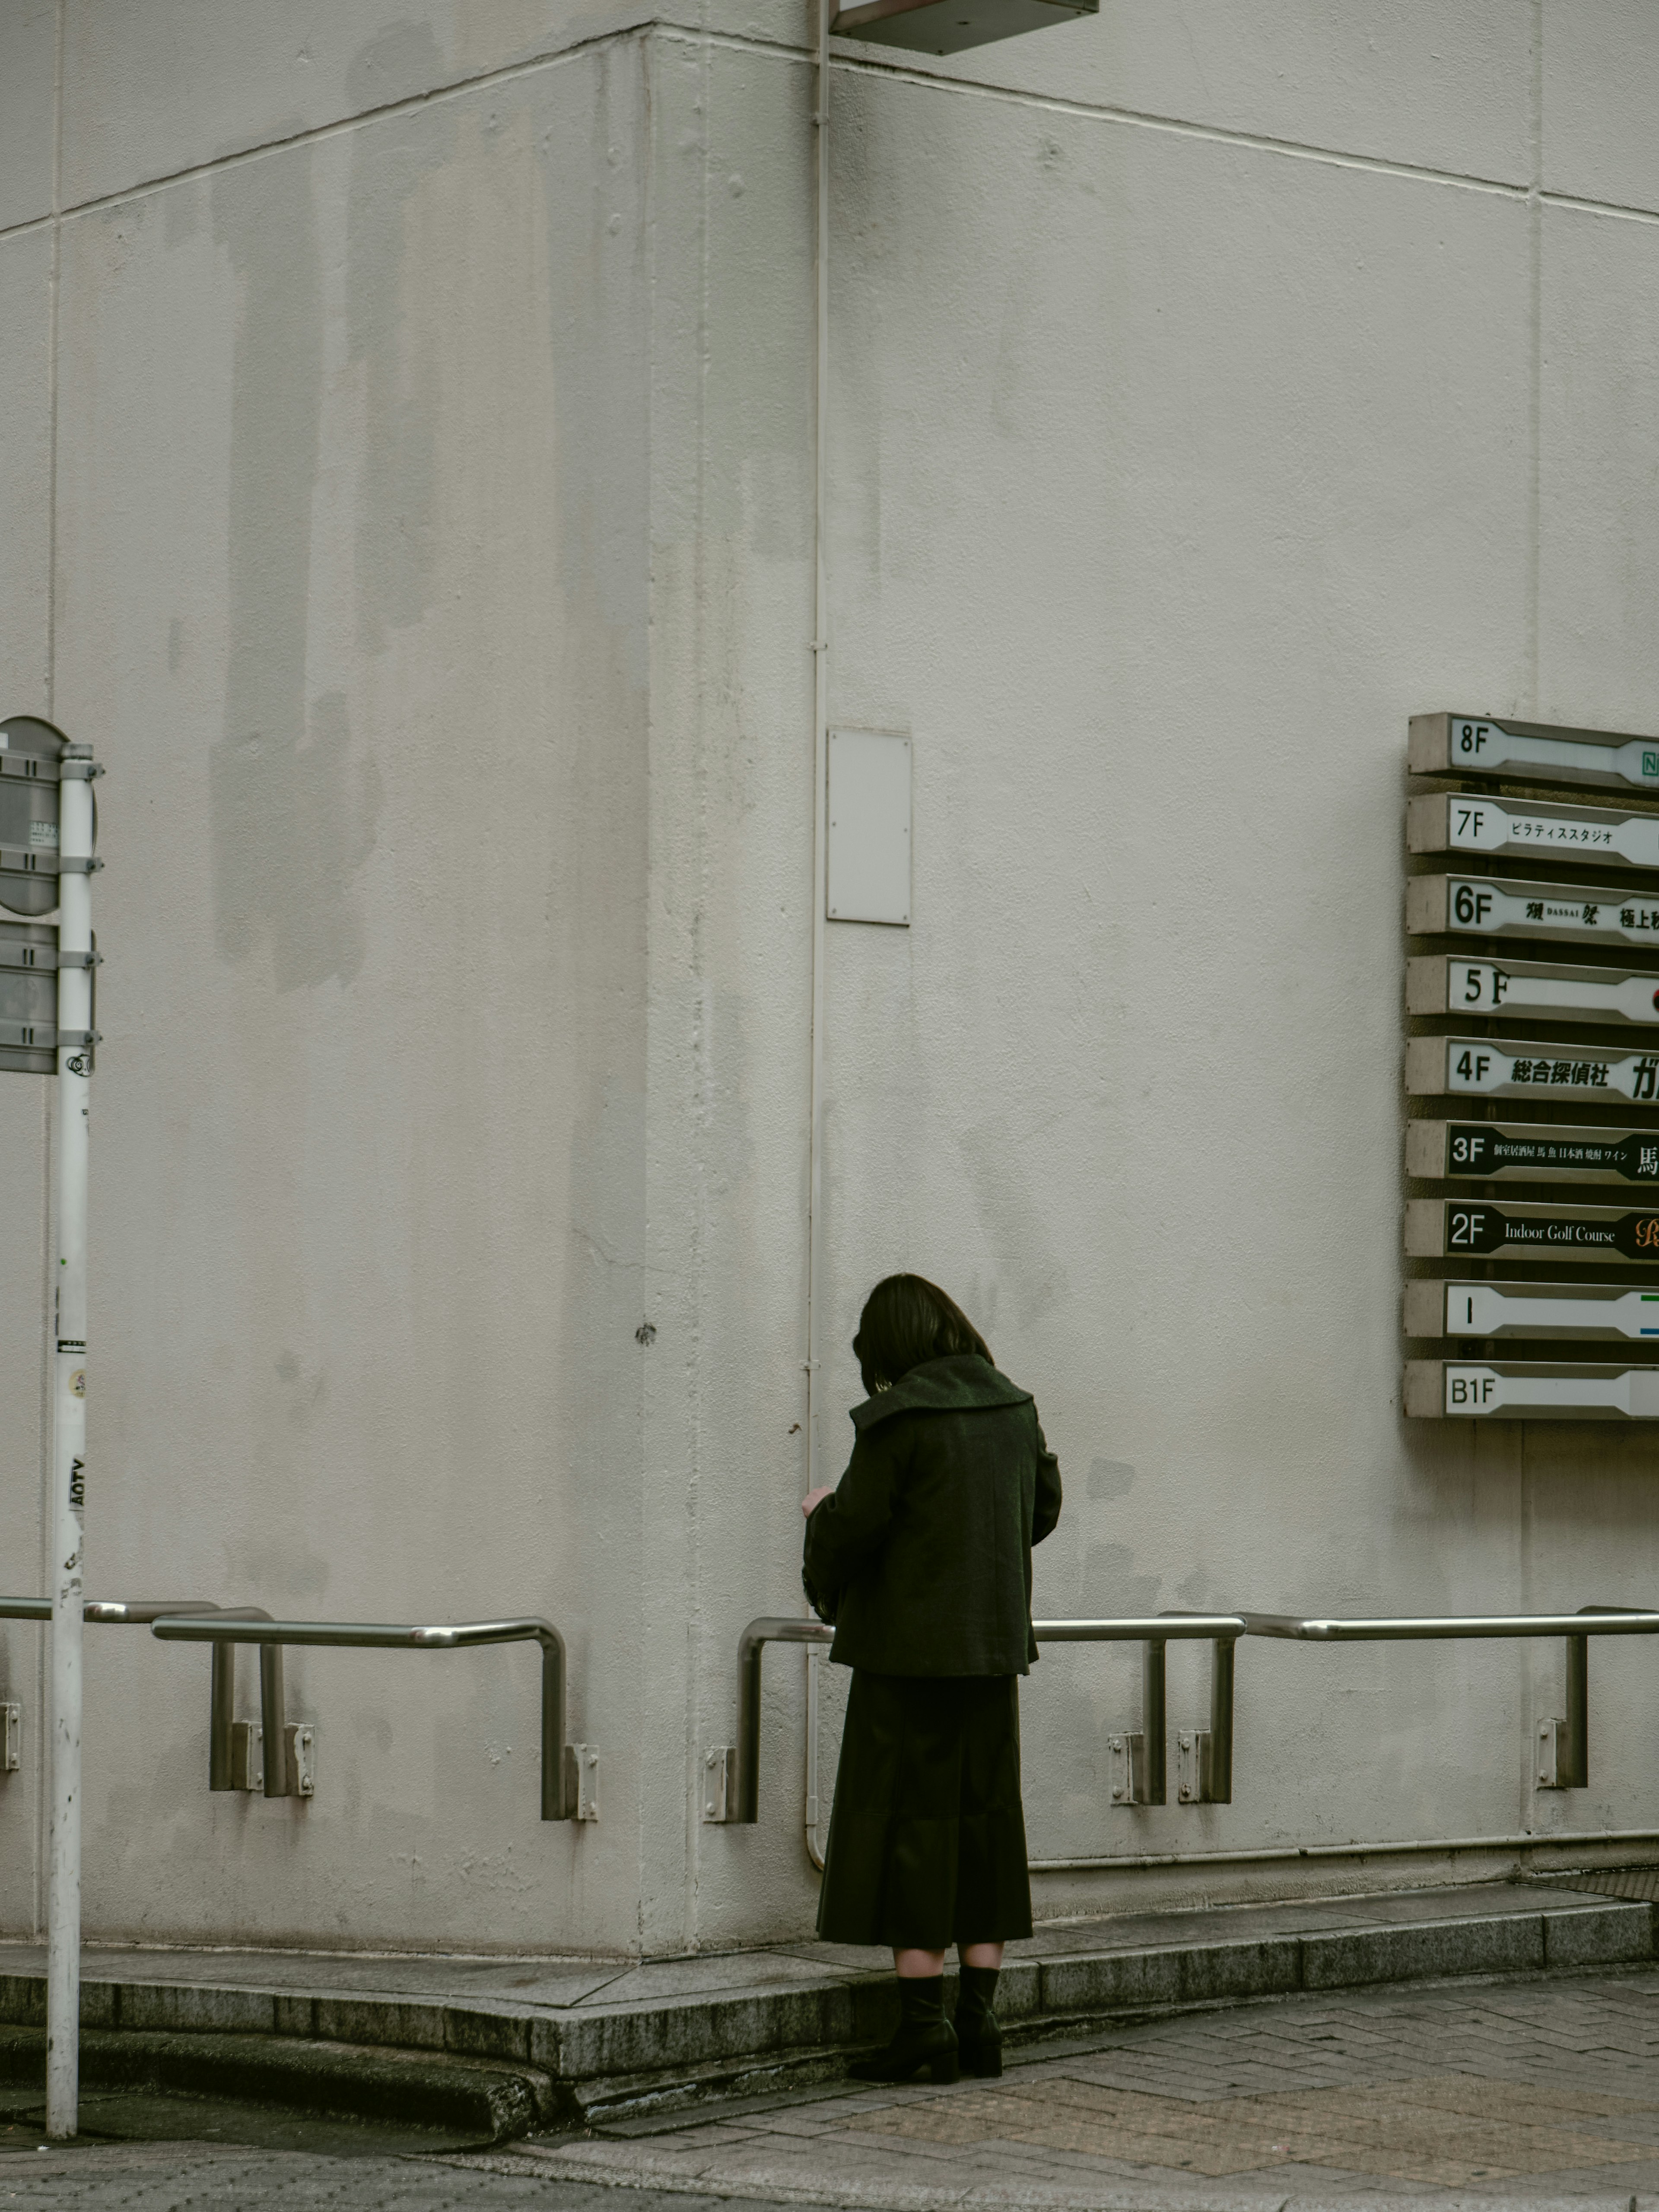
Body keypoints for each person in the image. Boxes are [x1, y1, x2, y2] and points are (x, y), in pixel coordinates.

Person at [801, 1273, 1062, 2086]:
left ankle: (923, 2030)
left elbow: (859, 1530)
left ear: (893, 1349)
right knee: (985, 1827)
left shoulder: (899, 1421)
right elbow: (1043, 1507)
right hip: (991, 1654)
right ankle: (979, 2024)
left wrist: (821, 1515)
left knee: (912, 1832)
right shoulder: (1015, 1410)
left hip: (906, 1663)